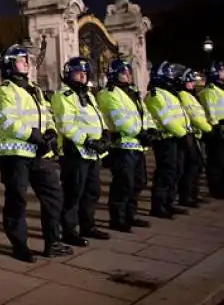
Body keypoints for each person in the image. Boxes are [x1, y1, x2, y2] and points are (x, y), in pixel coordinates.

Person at [0, 44, 72, 262]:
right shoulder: (4, 90)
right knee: (17, 201)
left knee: (54, 196)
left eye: (27, 59)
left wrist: (52, 133)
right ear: (9, 65)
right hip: (15, 156)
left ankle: (53, 242)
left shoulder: (34, 90)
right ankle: (19, 245)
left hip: (39, 155)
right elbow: (8, 122)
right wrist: (34, 135)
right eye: (21, 60)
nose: (27, 63)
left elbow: (47, 115)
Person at [50, 57, 110, 247]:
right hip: (75, 151)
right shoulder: (63, 96)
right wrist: (88, 140)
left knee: (92, 192)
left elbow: (98, 118)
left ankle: (88, 226)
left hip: (92, 153)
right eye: (78, 72)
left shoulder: (89, 95)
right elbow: (66, 125)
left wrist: (105, 134)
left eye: (85, 72)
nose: (83, 76)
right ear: (69, 74)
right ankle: (68, 230)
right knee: (73, 192)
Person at [96, 59, 155, 232]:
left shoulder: (133, 92)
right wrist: (141, 133)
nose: (128, 75)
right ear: (115, 74)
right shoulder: (109, 93)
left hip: (137, 145)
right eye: (124, 72)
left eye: (129, 71)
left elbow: (144, 114)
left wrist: (150, 129)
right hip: (122, 145)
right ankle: (118, 219)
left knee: (138, 182)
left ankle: (131, 215)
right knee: (123, 183)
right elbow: (121, 120)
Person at [145, 61, 191, 219]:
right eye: (169, 75)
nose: (172, 77)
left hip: (175, 137)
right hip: (165, 139)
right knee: (166, 172)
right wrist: (183, 134)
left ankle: (169, 203)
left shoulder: (169, 93)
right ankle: (158, 205)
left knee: (176, 171)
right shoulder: (156, 94)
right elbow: (166, 120)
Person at [177, 68, 211, 207]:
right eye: (190, 81)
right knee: (190, 168)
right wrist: (208, 128)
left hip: (196, 134)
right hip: (190, 135)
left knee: (196, 167)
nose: (193, 84)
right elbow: (194, 115)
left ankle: (193, 194)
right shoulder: (184, 95)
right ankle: (187, 196)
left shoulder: (191, 95)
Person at [199, 61, 224, 199]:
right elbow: (210, 111)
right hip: (216, 132)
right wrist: (216, 127)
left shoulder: (219, 89)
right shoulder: (210, 91)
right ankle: (216, 190)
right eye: (222, 70)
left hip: (221, 130)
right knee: (216, 162)